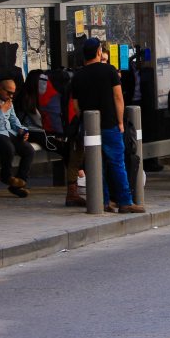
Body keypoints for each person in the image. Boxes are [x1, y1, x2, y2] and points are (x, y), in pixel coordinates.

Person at [70, 37, 144, 213]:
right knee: (117, 163)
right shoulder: (109, 71)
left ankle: (102, 201)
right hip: (110, 123)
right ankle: (125, 201)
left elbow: (75, 105)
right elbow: (118, 98)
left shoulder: (78, 76)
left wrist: (85, 119)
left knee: (97, 164)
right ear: (98, 52)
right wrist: (120, 121)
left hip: (90, 128)